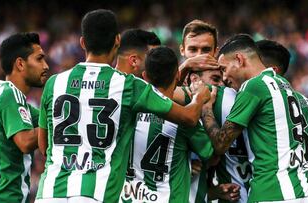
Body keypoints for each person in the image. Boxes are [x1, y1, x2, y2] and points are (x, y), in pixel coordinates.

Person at [35, 9, 210, 203]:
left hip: (49, 193)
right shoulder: (129, 85)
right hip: (96, 194)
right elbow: (189, 117)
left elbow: (43, 146)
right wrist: (200, 97)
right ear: (117, 41)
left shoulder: (54, 83)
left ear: (82, 42)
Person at [202, 33, 308, 202]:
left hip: (272, 193)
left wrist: (206, 108)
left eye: (223, 69)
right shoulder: (300, 98)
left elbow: (220, 144)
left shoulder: (253, 86)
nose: (223, 78)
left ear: (239, 59)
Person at [120, 46, 215, 203]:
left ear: (145, 77)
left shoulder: (129, 115)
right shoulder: (185, 120)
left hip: (128, 197)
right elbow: (210, 154)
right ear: (178, 75)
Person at [0, 32, 49, 202]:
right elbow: (26, 141)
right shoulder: (9, 95)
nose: (46, 66)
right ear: (20, 64)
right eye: (39, 59)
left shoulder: (9, 98)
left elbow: (48, 118)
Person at [175, 19, 241, 203]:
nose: (199, 56)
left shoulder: (225, 93)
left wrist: (213, 192)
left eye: (205, 50)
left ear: (215, 51)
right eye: (192, 50)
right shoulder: (165, 91)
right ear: (182, 50)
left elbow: (214, 159)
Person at [256, 39, 308, 190]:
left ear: (272, 70)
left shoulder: (263, 102)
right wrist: (305, 180)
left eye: (252, 63)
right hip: (304, 192)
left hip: (274, 192)